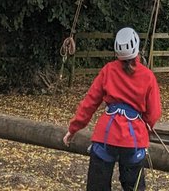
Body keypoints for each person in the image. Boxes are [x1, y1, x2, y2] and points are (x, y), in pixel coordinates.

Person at [63, 26, 162, 191]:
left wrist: (73, 128)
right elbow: (154, 113)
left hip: (105, 136)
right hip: (133, 138)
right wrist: (145, 126)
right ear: (137, 49)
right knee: (134, 187)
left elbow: (89, 103)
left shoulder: (108, 70)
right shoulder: (147, 76)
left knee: (97, 186)